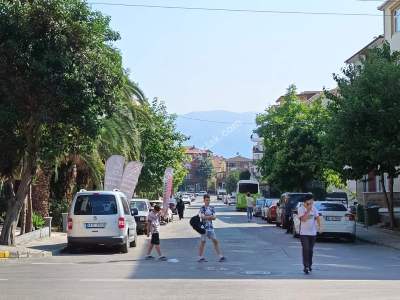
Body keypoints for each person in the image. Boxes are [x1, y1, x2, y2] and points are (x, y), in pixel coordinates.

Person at [297, 194, 321, 274]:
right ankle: (306, 266)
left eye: (312, 201)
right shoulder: (301, 209)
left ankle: (310, 264)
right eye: (311, 200)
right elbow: (303, 219)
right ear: (306, 201)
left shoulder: (314, 208)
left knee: (310, 250)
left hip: (313, 233)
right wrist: (308, 210)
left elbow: (317, 217)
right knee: (306, 249)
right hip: (304, 233)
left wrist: (320, 227)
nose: (312, 202)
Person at [198, 194, 226, 262]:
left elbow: (215, 217)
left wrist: (207, 216)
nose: (208, 201)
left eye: (208, 200)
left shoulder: (212, 208)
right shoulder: (202, 208)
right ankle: (200, 257)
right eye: (206, 200)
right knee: (203, 242)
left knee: (215, 241)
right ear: (204, 200)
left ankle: (220, 256)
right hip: (204, 228)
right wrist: (210, 217)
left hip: (210, 227)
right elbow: (202, 216)